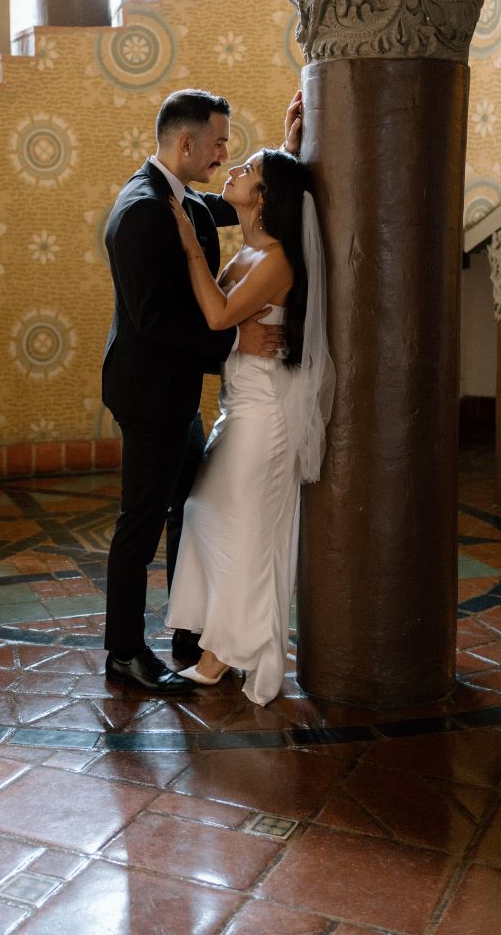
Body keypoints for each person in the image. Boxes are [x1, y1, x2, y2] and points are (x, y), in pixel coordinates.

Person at [101, 89, 285, 694]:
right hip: (150, 397)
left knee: (191, 508)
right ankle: (124, 652)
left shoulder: (182, 201)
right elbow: (155, 320)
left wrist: (291, 145)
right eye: (218, 143)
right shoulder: (143, 210)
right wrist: (234, 347)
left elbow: (260, 200)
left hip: (174, 394)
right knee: (142, 523)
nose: (224, 155)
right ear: (186, 143)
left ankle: (189, 634)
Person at [166, 123, 335, 706]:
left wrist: (190, 244)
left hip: (265, 416)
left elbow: (215, 316)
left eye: (247, 174)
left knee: (244, 531)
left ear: (263, 199)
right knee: (205, 510)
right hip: (236, 408)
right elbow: (227, 321)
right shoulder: (252, 248)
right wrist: (288, 147)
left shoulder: (278, 258)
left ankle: (223, 656)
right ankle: (220, 640)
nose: (232, 171)